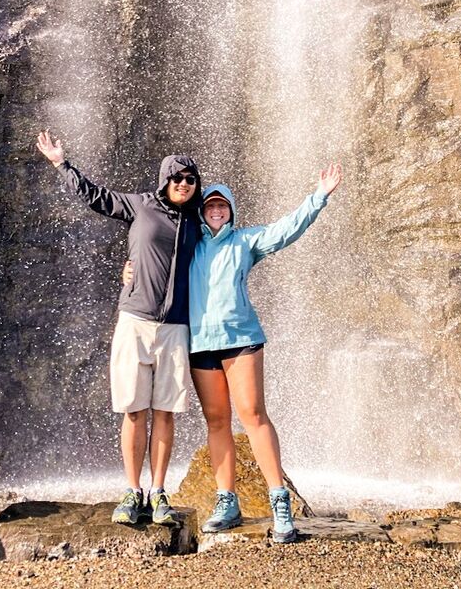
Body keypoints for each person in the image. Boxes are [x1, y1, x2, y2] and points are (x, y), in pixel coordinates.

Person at [124, 162, 341, 543]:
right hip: (201, 345)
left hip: (241, 340)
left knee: (254, 416)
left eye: (223, 206)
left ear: (232, 211)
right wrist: (129, 272)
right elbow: (155, 259)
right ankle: (228, 501)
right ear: (202, 211)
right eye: (210, 206)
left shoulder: (246, 241)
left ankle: (279, 502)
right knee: (218, 423)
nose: (216, 210)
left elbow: (285, 231)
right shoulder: (188, 244)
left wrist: (318, 197)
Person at [36, 131, 202, 527]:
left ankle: (159, 491)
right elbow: (96, 196)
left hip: (176, 326)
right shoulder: (140, 206)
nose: (182, 183)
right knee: (133, 410)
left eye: (189, 179)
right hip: (135, 321)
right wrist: (62, 164)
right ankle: (132, 489)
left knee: (165, 413)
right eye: (175, 177)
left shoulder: (200, 221)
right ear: (164, 180)